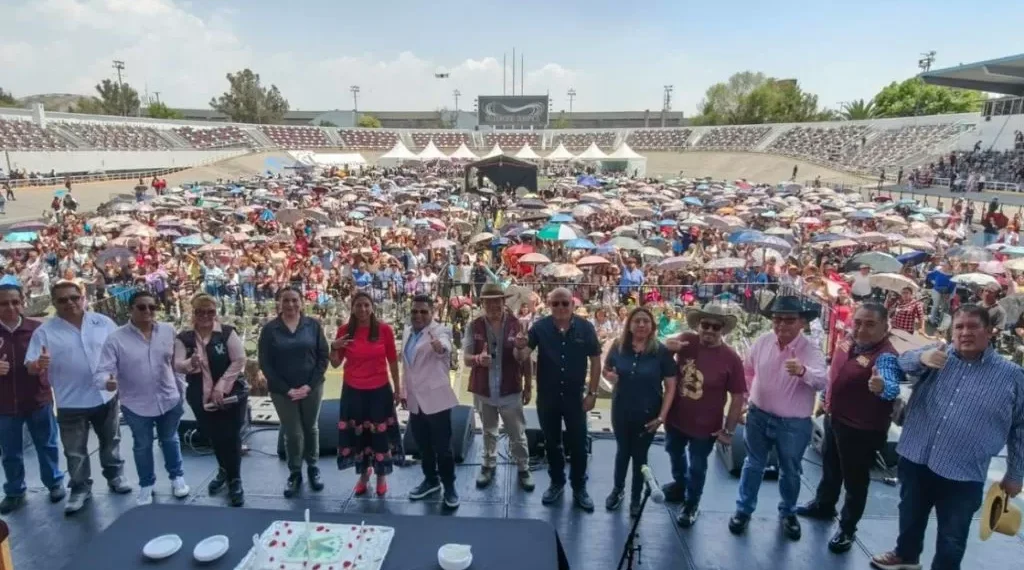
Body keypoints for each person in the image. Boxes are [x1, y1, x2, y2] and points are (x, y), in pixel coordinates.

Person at [870, 305, 1024, 570]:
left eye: (973, 326)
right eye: (959, 327)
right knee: (909, 514)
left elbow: (1020, 427)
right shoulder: (937, 355)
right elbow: (897, 364)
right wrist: (922, 359)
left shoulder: (1012, 376)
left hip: (964, 471)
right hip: (917, 456)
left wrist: (1015, 473)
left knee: (952, 535)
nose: (965, 333)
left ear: (989, 331)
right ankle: (906, 556)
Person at [797, 303, 901, 553]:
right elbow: (835, 372)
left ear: (885, 327)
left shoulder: (886, 356)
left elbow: (891, 385)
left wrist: (882, 387)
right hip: (836, 418)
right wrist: (825, 400)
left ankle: (847, 528)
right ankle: (824, 505)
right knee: (830, 465)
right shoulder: (847, 340)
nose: (861, 328)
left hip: (862, 429)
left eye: (870, 324)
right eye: (858, 322)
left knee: (855, 482)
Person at [25, 281, 131, 514]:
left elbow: (120, 351)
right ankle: (80, 488)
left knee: (111, 441)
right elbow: (31, 366)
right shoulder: (45, 332)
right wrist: (38, 364)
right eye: (63, 300)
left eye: (74, 297)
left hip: (106, 395)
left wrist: (119, 377)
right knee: (75, 450)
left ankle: (115, 476)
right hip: (71, 401)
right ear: (54, 303)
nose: (70, 303)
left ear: (82, 297)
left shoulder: (102, 322)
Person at [729, 296, 827, 540]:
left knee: (790, 471)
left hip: (793, 424)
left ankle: (788, 513)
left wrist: (803, 372)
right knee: (752, 465)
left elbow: (823, 381)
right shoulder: (762, 341)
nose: (781, 324)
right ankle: (743, 510)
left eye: (789, 320)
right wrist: (748, 397)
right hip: (758, 416)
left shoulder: (811, 350)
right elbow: (747, 370)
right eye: (777, 319)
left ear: (802, 322)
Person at [96, 290, 191, 505]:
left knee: (170, 439)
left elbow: (175, 364)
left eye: (152, 307)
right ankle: (146, 485)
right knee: (142, 445)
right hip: (136, 404)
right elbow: (103, 371)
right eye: (141, 307)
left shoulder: (168, 331)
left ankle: (177, 477)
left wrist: (181, 390)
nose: (148, 311)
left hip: (169, 398)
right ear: (130, 309)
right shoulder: (115, 339)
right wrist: (107, 383)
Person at [661, 303, 746, 527]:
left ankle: (692, 504)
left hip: (706, 425)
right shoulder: (686, 340)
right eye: (705, 324)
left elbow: (738, 396)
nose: (709, 330)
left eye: (715, 327)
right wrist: (667, 349)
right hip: (676, 417)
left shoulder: (731, 358)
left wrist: (729, 430)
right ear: (698, 324)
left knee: (698, 465)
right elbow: (662, 360)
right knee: (673, 451)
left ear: (722, 330)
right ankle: (680, 484)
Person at [526, 287, 602, 512]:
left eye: (564, 303)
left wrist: (593, 393)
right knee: (552, 444)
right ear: (549, 305)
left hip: (575, 398)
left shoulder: (586, 328)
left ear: (573, 305)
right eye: (555, 304)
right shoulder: (539, 328)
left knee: (578, 445)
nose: (560, 308)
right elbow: (522, 354)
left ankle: (579, 487)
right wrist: (520, 347)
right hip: (547, 397)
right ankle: (556, 482)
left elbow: (596, 362)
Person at [173, 293, 247, 507]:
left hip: (230, 394)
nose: (205, 315)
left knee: (231, 437)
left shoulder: (226, 333)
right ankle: (224, 470)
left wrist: (221, 386)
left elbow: (239, 360)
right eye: (200, 311)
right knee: (213, 436)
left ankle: (235, 479)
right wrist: (190, 363)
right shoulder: (184, 338)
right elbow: (177, 365)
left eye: (210, 311)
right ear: (193, 313)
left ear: (216, 313)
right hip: (199, 396)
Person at [602, 307, 677, 517]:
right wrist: (610, 376)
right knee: (622, 451)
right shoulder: (618, 347)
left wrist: (662, 417)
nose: (641, 325)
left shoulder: (660, 351)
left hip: (648, 414)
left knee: (640, 456)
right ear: (630, 325)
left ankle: (636, 497)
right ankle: (618, 490)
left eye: (646, 321)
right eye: (637, 321)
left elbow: (671, 386)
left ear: (652, 326)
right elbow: (606, 369)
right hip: (621, 409)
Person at [258, 286, 330, 498]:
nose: (290, 304)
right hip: (282, 391)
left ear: (301, 302)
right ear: (279, 303)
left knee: (311, 429)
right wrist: (286, 389)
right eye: (286, 300)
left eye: (294, 300)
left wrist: (309, 385)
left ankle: (313, 468)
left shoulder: (313, 325)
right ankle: (295, 472)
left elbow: (323, 356)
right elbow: (265, 363)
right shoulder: (270, 329)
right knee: (293, 433)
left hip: (312, 387)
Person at [0, 284, 65, 514]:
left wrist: (42, 366)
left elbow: (55, 359)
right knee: (10, 451)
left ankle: (54, 482)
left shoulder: (38, 330)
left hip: (38, 398)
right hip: (5, 403)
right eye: (4, 303)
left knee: (46, 444)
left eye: (15, 302)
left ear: (22, 302)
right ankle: (15, 491)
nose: (10, 307)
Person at [331, 291, 403, 497]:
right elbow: (335, 362)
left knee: (379, 435)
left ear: (372, 307)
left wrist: (398, 389)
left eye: (366, 305)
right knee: (359, 435)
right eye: (358, 305)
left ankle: (381, 476)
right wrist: (333, 347)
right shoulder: (345, 331)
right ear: (352, 308)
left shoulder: (384, 330)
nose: (362, 309)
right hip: (353, 391)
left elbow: (392, 361)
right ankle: (364, 474)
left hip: (379, 390)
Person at [463, 283, 534, 492]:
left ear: (504, 302)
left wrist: (528, 384)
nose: (493, 305)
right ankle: (488, 465)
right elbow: (466, 359)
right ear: (483, 303)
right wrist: (477, 358)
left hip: (510, 388)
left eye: (497, 300)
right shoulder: (473, 325)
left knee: (517, 433)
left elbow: (525, 358)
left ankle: (523, 468)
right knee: (488, 431)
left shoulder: (517, 325)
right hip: (484, 389)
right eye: (489, 301)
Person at [401, 295, 460, 509]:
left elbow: (445, 346)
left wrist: (440, 347)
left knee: (443, 449)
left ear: (431, 313)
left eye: (423, 312)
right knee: (423, 445)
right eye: (415, 311)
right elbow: (406, 366)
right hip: (415, 400)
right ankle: (431, 480)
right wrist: (403, 392)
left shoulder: (440, 331)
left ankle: (450, 486)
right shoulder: (408, 331)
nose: (418, 315)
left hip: (436, 400)